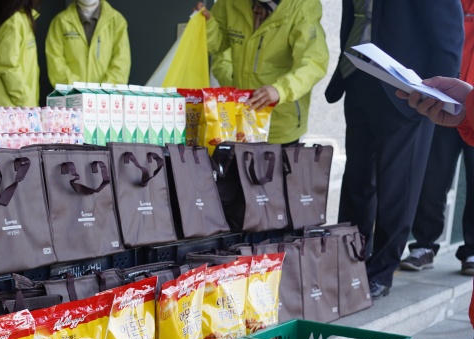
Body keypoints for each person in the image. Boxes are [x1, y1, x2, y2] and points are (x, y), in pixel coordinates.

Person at [327, 0, 464, 300]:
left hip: (407, 91)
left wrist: (435, 96)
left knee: (397, 187)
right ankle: (347, 265)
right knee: (356, 180)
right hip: (358, 76)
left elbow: (449, 34)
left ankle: (381, 272)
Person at [400, 0, 474, 277]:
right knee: (432, 177)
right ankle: (424, 244)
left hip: (470, 101)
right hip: (446, 99)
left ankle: (472, 249)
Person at [196, 0, 329, 145]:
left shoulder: (302, 5)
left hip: (279, 121)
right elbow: (218, 44)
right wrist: (208, 25)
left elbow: (313, 62)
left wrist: (280, 90)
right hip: (241, 116)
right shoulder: (230, 3)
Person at [45, 0, 131, 88]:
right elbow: (55, 63)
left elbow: (121, 64)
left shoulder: (117, 22)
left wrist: (103, 91)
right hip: (71, 95)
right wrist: (77, 90)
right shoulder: (60, 22)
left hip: (106, 95)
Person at [0, 0, 40, 108]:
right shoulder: (14, 22)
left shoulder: (19, 19)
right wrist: (26, 100)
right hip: (11, 110)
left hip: (12, 108)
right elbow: (7, 66)